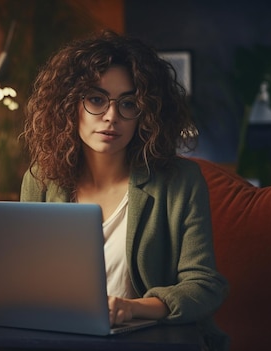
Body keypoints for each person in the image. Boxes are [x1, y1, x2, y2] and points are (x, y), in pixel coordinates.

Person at [19, 30, 229, 350]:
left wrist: (133, 308)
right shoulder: (41, 180)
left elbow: (204, 286)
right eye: (95, 99)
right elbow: (24, 279)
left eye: (129, 103)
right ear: (68, 105)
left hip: (148, 341)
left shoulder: (180, 181)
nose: (112, 116)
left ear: (146, 113)